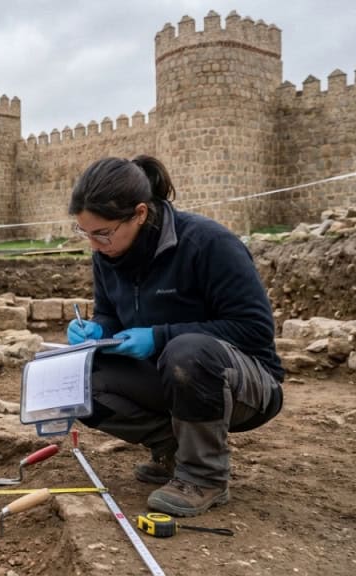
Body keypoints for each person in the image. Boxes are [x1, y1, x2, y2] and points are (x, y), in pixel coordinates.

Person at [66, 155, 283, 517]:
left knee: (187, 352)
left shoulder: (208, 243)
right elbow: (110, 314)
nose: (93, 244)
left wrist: (159, 337)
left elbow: (254, 329)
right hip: (168, 377)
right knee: (76, 379)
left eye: (101, 233)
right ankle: (174, 449)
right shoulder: (108, 253)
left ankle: (204, 476)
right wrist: (99, 330)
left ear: (139, 213)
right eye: (84, 232)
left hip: (243, 385)